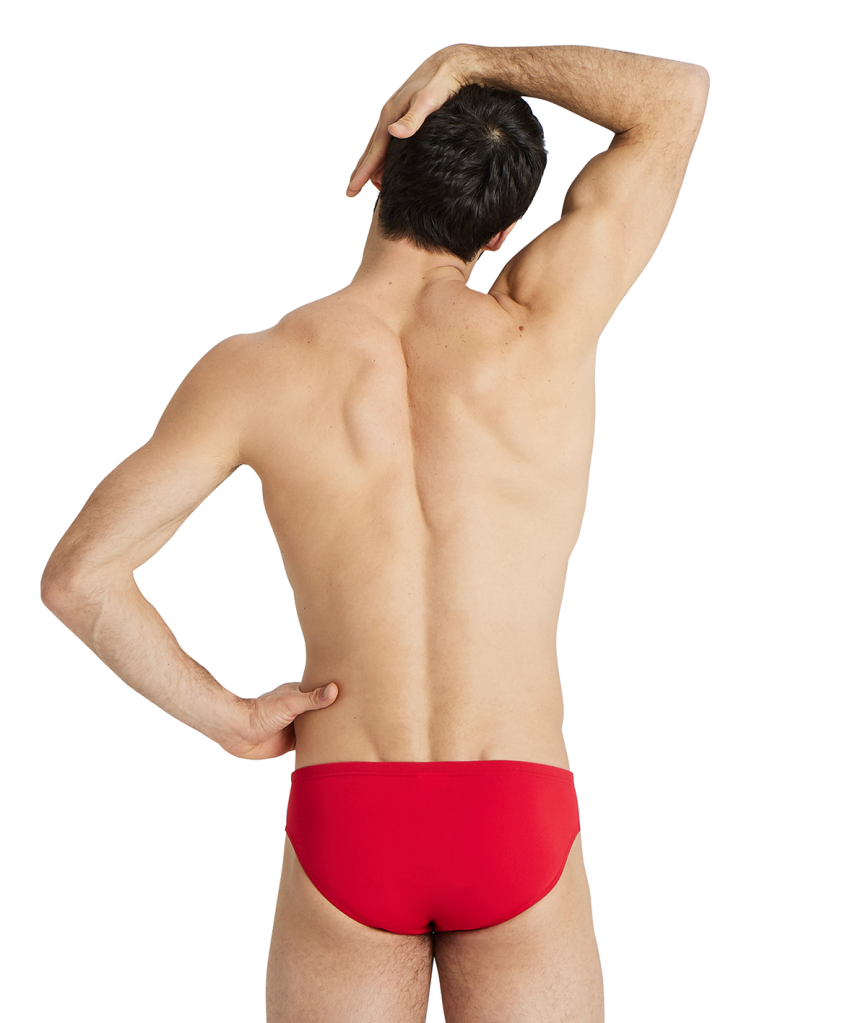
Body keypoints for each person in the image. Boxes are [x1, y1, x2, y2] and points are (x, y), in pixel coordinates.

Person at [41, 41, 709, 1023]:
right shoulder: (546, 323)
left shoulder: (257, 369)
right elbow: (676, 96)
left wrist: (231, 716)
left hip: (351, 809)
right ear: (501, 232)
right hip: (513, 801)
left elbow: (81, 578)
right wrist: (476, 60)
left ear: (377, 172)